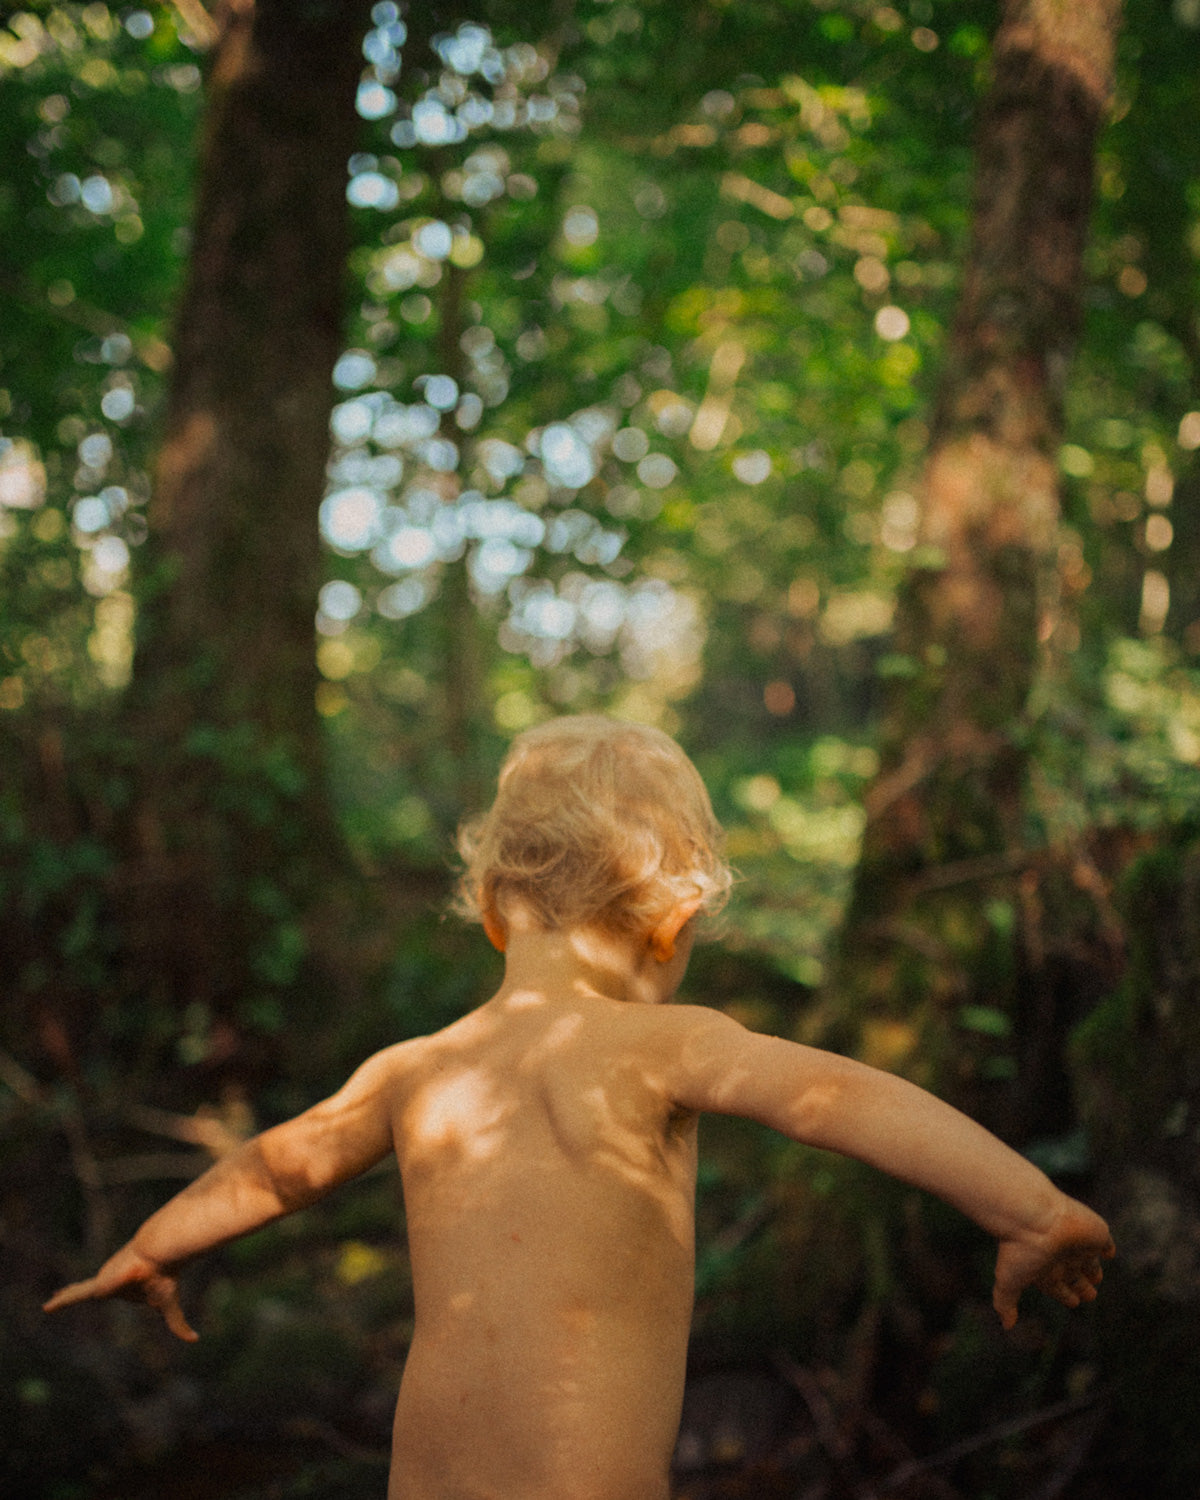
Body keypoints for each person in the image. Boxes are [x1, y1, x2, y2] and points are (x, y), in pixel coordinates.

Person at [45, 715, 1114, 1500]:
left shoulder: (416, 1068)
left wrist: (152, 1245)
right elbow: (840, 1098)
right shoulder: (669, 1045)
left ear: (497, 916)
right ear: (676, 917)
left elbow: (279, 1167)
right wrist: (1028, 1208)